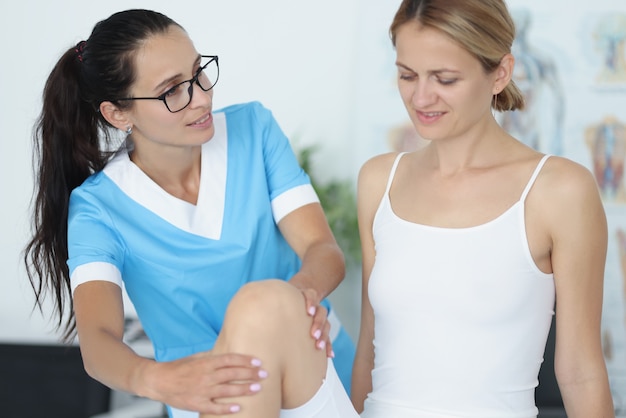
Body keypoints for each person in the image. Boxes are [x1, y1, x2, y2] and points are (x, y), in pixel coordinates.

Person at [23, 9, 355, 417]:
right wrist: (155, 379)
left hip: (319, 362)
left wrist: (296, 299)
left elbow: (323, 249)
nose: (201, 97)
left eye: (199, 73)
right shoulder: (98, 209)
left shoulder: (253, 129)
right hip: (210, 395)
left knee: (263, 302)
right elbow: (99, 341)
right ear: (117, 113)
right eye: (172, 90)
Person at [351, 1, 615, 417]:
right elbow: (369, 348)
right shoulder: (378, 180)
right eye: (407, 75)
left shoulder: (558, 190)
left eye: (445, 78)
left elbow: (581, 371)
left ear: (500, 73)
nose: (421, 96)